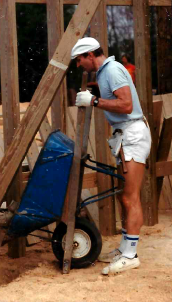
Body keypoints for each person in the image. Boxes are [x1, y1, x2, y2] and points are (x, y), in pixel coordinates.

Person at [71, 37, 151, 275]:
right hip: (124, 137)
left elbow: (126, 105)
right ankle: (125, 248)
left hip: (132, 135)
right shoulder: (106, 72)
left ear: (90, 55)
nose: (79, 65)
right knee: (123, 197)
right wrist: (99, 91)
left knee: (130, 197)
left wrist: (95, 101)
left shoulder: (113, 70)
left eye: (79, 60)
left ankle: (130, 255)